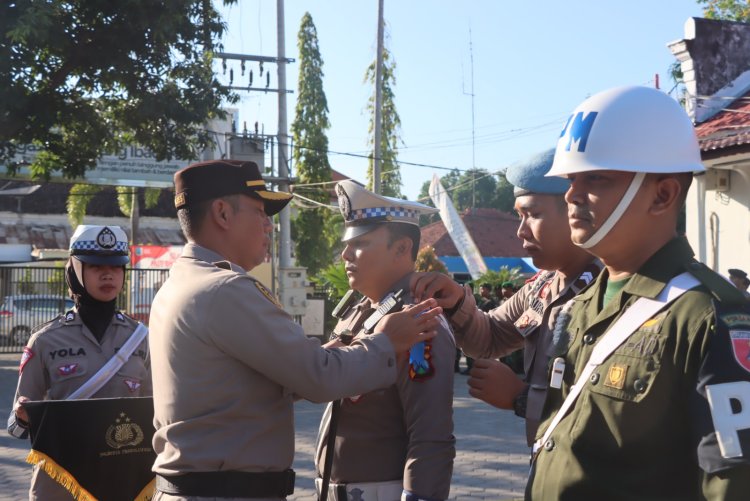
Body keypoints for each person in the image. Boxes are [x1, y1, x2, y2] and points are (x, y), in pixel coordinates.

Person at [148, 160, 442, 500]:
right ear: (222, 214)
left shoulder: (182, 282)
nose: (268, 226)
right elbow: (319, 377)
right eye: (260, 213)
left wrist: (333, 354)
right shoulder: (224, 289)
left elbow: (254, 384)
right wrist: (385, 343)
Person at [528, 86, 750, 499]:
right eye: (571, 179)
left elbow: (732, 483)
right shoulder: (581, 305)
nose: (573, 194)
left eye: (596, 177)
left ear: (663, 194)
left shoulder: (709, 316)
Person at [411, 148, 602, 446]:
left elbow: (607, 413)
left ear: (574, 211)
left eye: (533, 214)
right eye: (519, 216)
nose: (521, 231)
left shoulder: (608, 290)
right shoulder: (543, 285)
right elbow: (490, 337)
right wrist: (458, 300)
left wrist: (521, 397)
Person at [314, 180, 455, 501]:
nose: (346, 253)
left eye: (360, 243)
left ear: (402, 248)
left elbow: (430, 435)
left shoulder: (419, 321)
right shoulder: (361, 310)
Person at [7, 225, 151, 500]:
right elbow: (14, 429)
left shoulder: (141, 338)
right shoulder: (45, 340)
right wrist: (24, 416)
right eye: (95, 266)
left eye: (116, 266)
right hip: (62, 486)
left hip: (123, 483)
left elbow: (158, 413)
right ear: (75, 270)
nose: (108, 274)